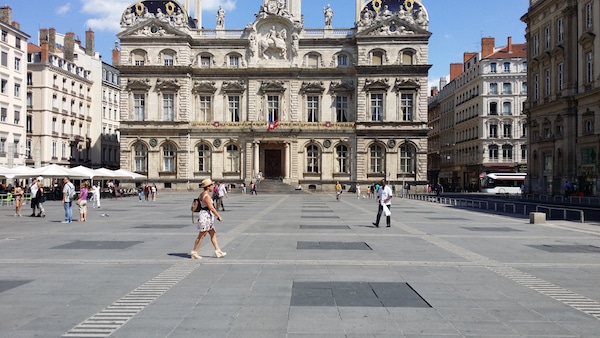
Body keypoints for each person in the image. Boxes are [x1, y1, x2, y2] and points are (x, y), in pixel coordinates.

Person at [190, 179, 226, 259]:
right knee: (202, 235)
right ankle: (194, 252)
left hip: (207, 216)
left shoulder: (203, 194)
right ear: (208, 187)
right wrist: (218, 216)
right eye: (212, 185)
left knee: (213, 233)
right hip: (205, 217)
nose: (213, 187)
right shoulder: (206, 196)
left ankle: (218, 251)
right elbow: (211, 208)